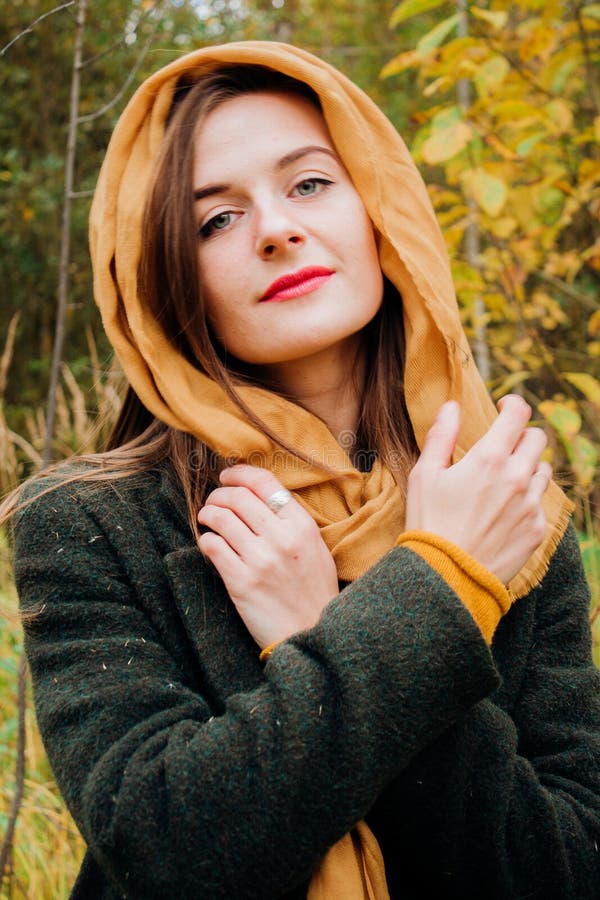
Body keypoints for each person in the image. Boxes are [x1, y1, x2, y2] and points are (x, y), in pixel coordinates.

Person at [4, 40, 600, 899]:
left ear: (378, 209)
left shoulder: (506, 502)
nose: (279, 229)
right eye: (217, 218)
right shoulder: (87, 522)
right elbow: (167, 850)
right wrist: (437, 589)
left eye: (310, 183)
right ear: (166, 278)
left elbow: (564, 870)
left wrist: (327, 622)